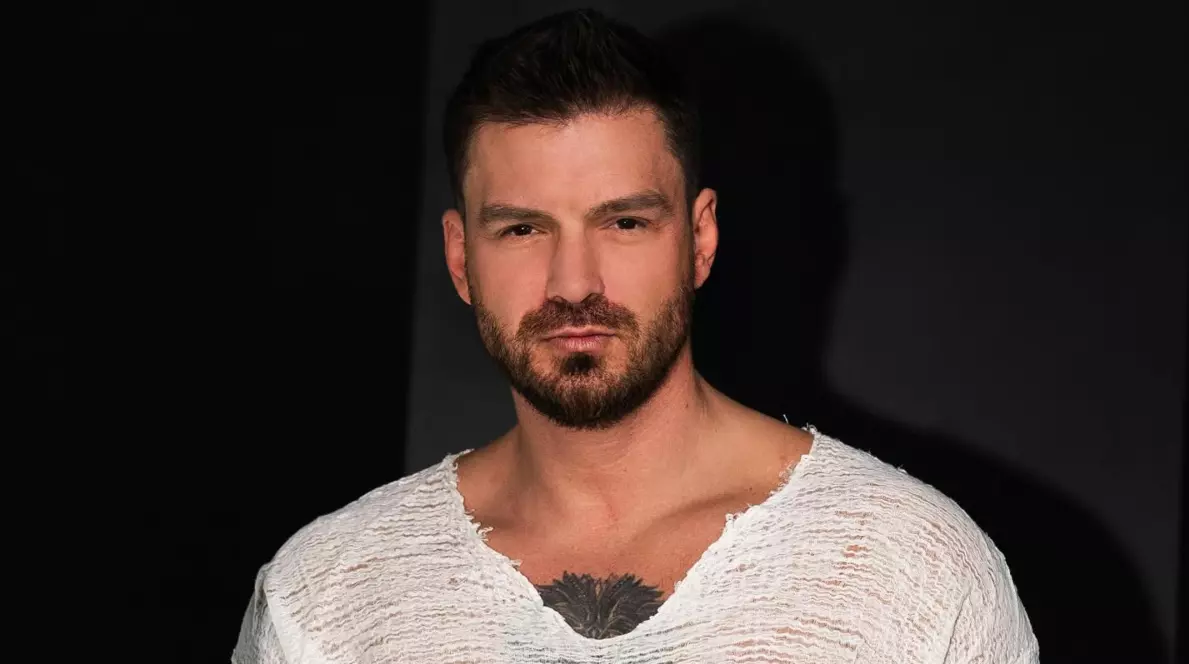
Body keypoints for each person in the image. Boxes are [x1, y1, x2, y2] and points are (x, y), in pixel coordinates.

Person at [232, 8, 1038, 663]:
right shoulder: (328, 594)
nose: (572, 283)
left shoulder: (912, 570)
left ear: (700, 239)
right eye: (522, 229)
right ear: (459, 256)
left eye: (623, 222)